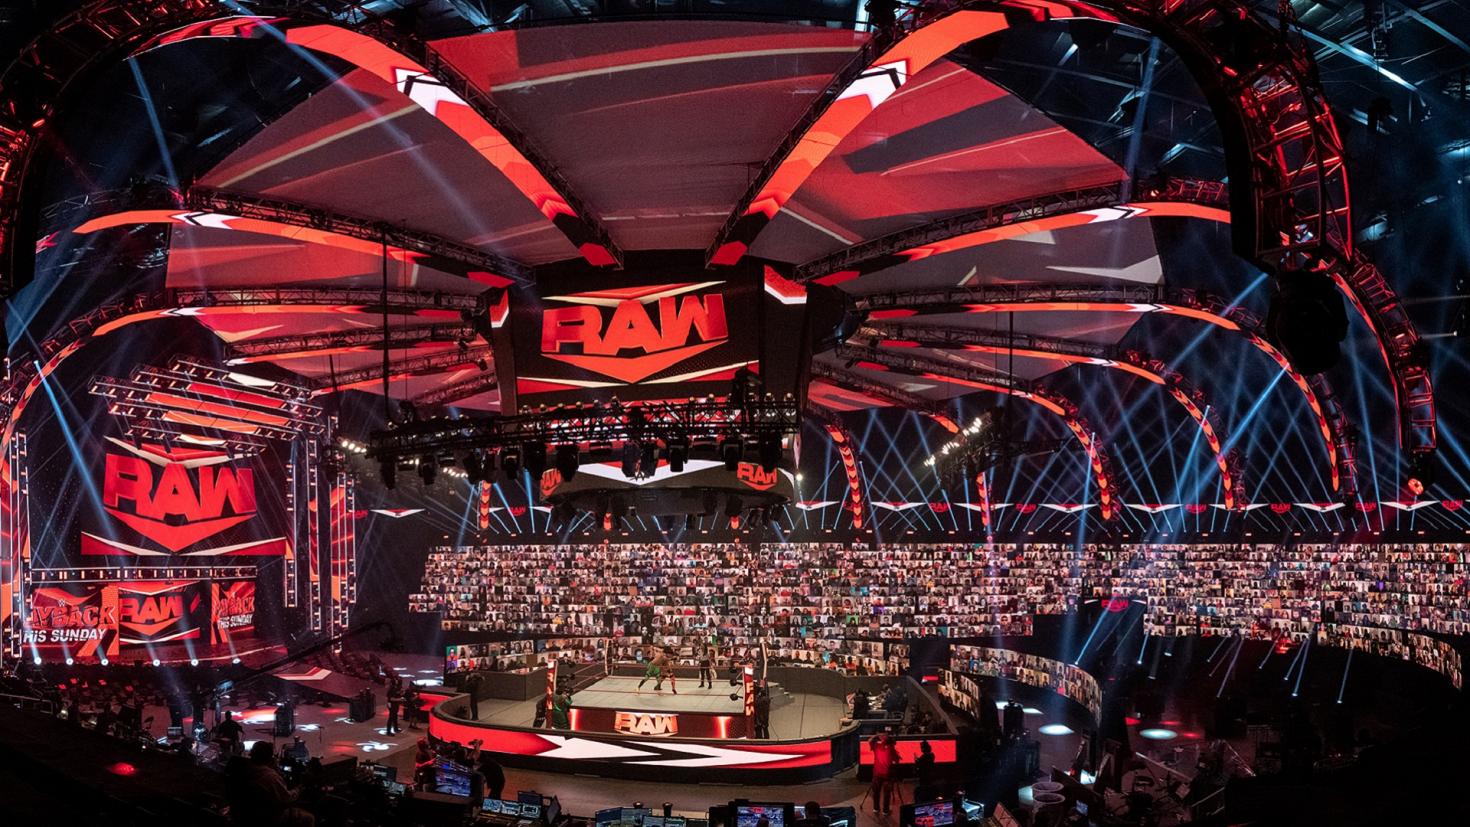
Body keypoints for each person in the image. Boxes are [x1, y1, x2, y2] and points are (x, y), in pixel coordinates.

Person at [868, 733, 900, 815]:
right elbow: (897, 760)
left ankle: (876, 809)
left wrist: (877, 735)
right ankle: (885, 811)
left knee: (876, 792)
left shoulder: (876, 746)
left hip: (877, 774)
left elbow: (870, 740)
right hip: (888, 775)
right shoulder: (891, 749)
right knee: (887, 794)